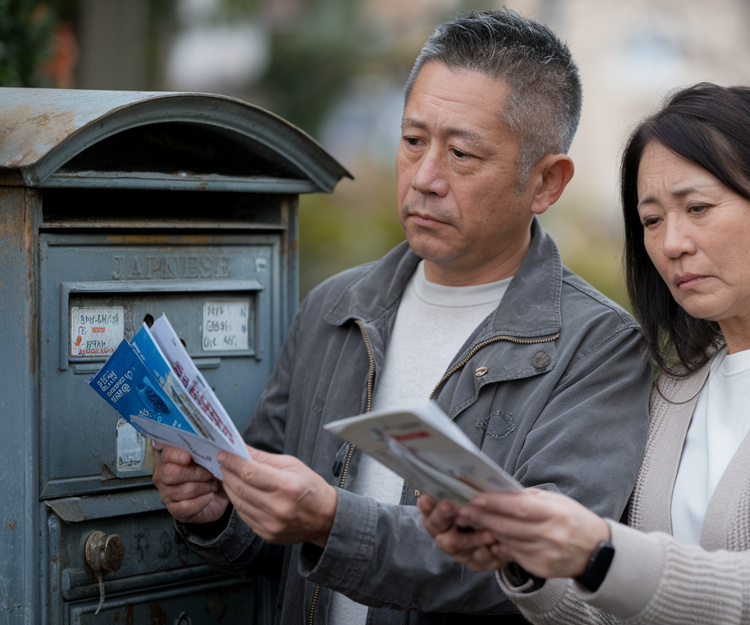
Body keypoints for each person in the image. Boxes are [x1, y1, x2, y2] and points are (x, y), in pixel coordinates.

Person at [150, 8, 651, 625]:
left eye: (463, 154)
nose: (425, 178)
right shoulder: (337, 308)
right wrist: (217, 511)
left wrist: (332, 520)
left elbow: (541, 572)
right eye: (413, 142)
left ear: (547, 182)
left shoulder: (598, 348)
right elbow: (272, 531)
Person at [421, 82, 750, 625]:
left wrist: (597, 550)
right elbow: (635, 600)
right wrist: (524, 554)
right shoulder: (676, 385)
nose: (672, 243)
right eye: (651, 220)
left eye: (697, 207)